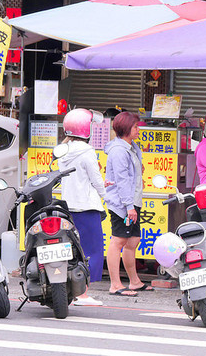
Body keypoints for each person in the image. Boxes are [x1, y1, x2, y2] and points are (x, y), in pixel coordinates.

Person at [59, 108, 107, 306]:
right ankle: (83, 293)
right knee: (93, 251)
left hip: (69, 207)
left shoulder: (62, 151)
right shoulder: (87, 152)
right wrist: (107, 197)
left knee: (72, 250)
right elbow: (96, 181)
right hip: (87, 207)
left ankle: (71, 290)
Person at [104, 111, 153, 296]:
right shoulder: (119, 151)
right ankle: (115, 284)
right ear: (126, 129)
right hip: (122, 204)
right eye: (135, 127)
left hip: (132, 201)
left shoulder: (131, 147)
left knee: (133, 240)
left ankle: (134, 281)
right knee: (118, 241)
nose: (138, 130)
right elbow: (122, 180)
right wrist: (129, 206)